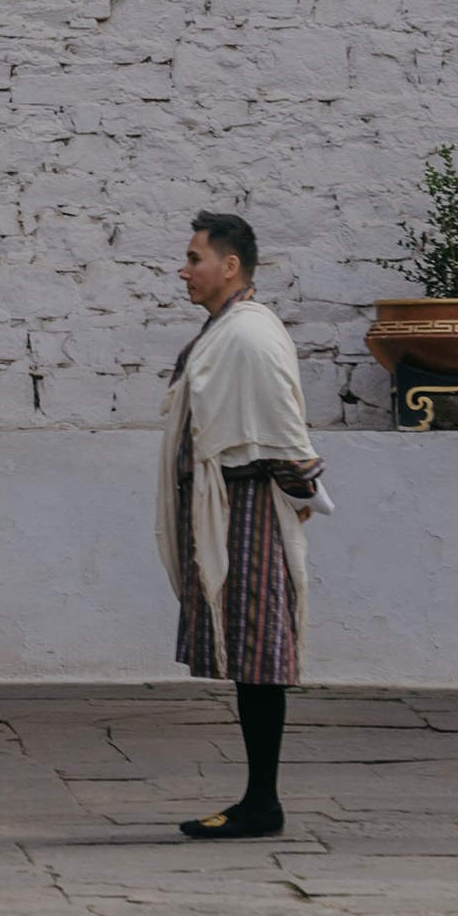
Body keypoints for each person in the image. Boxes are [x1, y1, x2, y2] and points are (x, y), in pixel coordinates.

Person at [155, 211, 327, 839]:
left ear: (230, 266)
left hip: (249, 508)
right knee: (252, 655)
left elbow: (280, 423)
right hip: (231, 508)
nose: (184, 269)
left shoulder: (249, 334)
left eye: (195, 257)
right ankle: (260, 800)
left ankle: (262, 804)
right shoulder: (226, 330)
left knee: (259, 653)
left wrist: (301, 487)